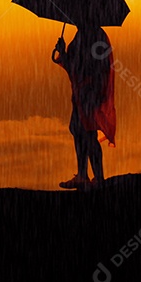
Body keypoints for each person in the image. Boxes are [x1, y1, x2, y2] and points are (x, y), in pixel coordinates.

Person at [52, 24, 116, 189]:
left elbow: (92, 66)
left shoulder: (93, 35)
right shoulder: (84, 34)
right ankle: (85, 175)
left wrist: (93, 90)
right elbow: (74, 64)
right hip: (82, 93)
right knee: (79, 130)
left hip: (89, 92)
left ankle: (95, 177)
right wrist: (63, 52)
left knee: (87, 132)